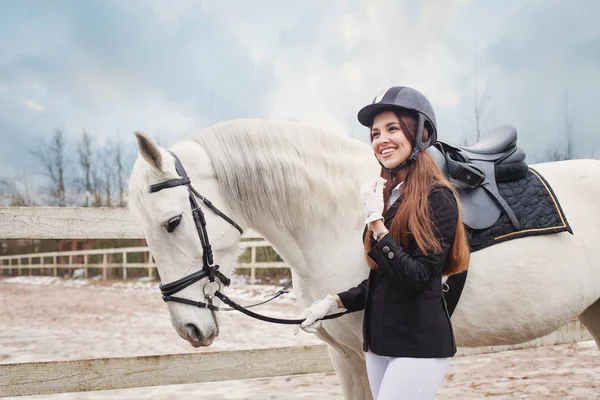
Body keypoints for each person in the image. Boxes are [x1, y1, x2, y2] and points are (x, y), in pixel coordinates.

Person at [295, 86, 471, 399]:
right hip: (379, 345)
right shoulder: (390, 198)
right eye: (375, 133)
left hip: (418, 347)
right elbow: (385, 280)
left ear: (420, 134)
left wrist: (377, 226)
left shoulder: (438, 197)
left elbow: (418, 277)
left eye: (392, 129)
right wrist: (334, 301)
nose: (381, 140)